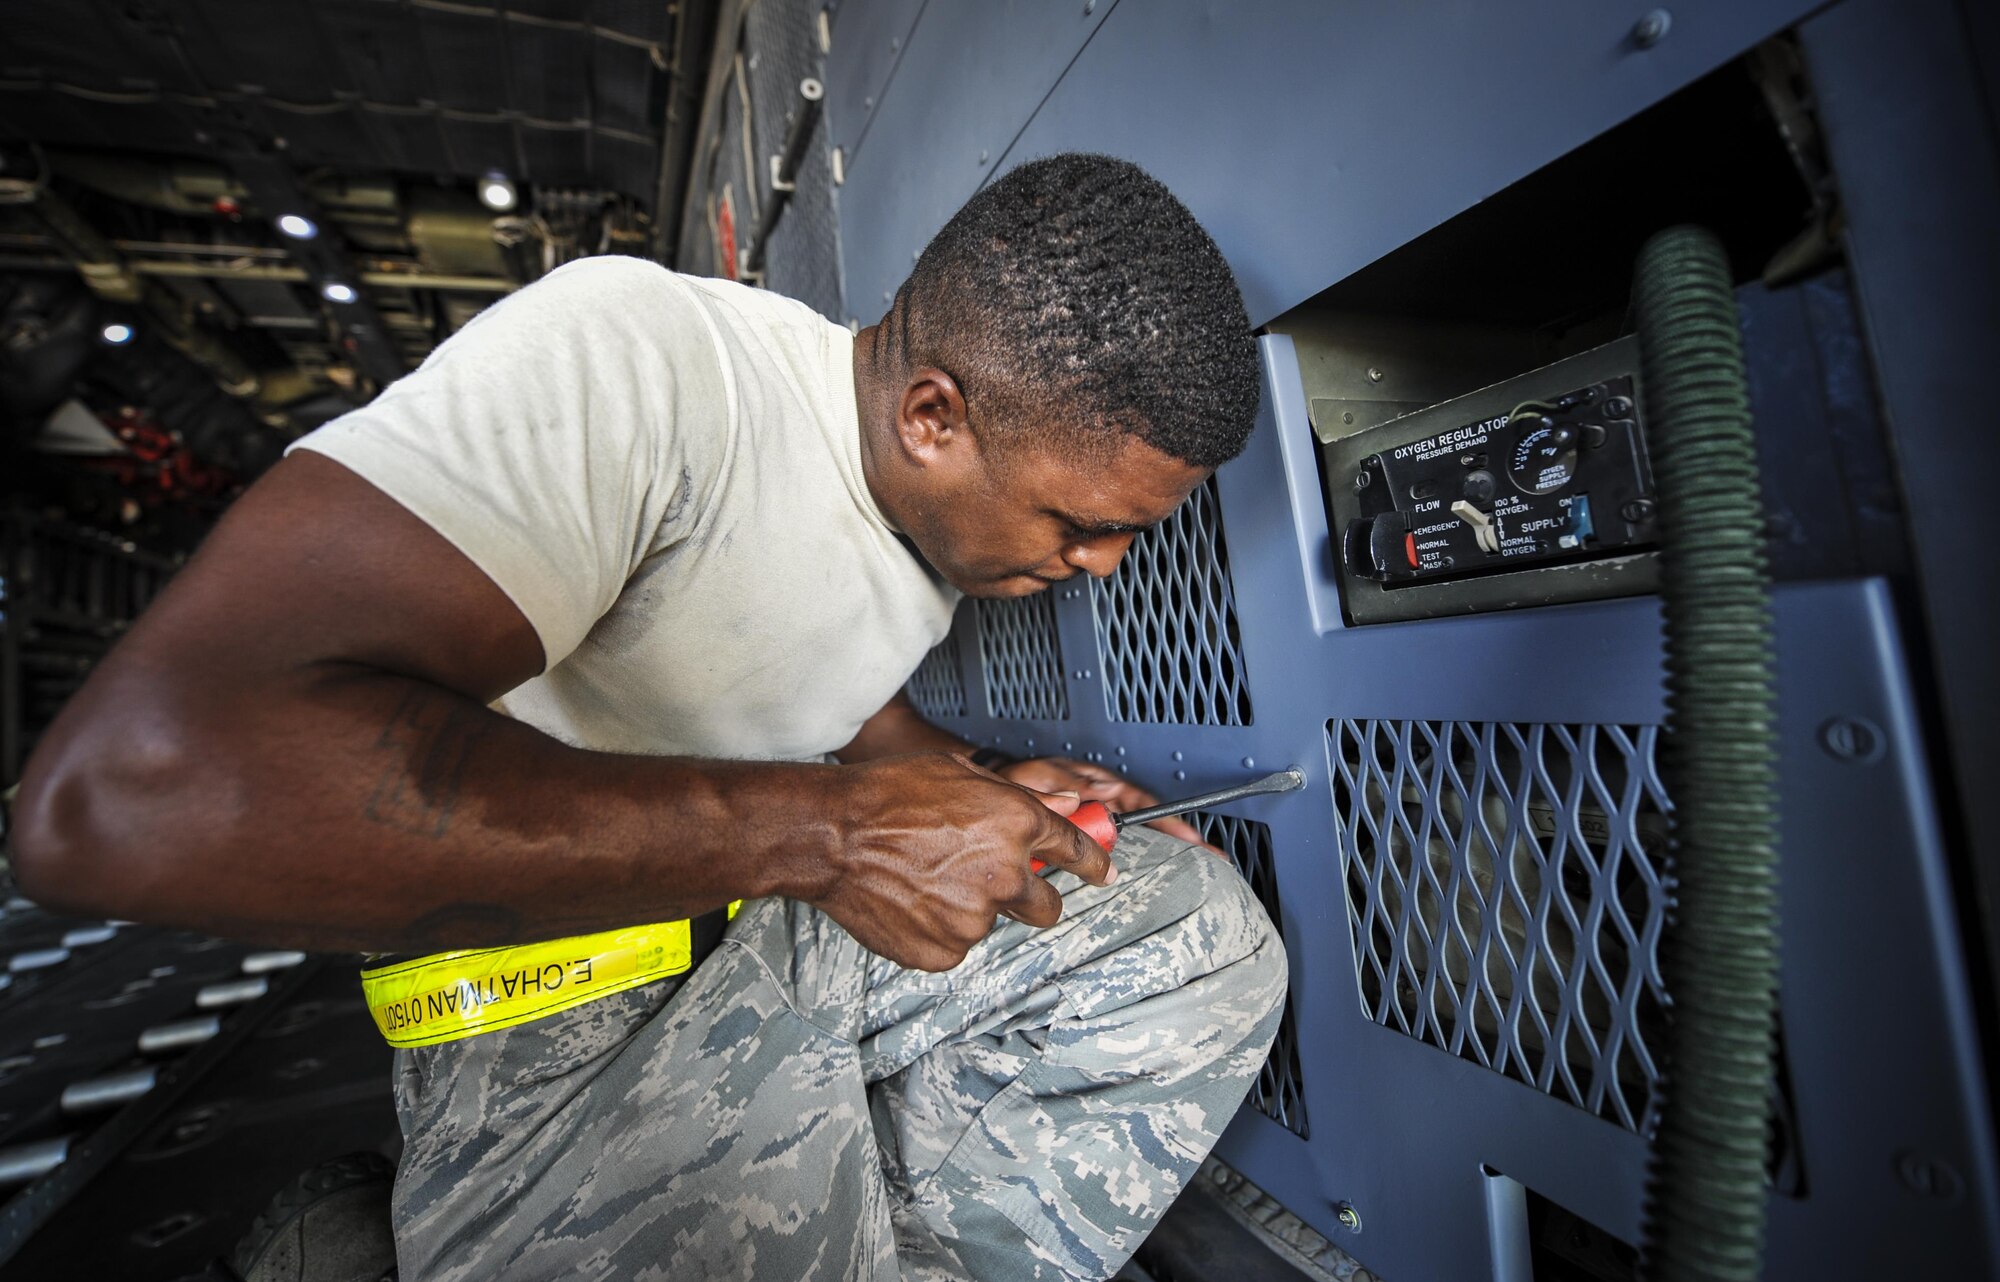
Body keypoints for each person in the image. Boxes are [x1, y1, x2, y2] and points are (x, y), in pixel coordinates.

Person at [13, 153, 1286, 1281]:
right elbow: (140, 793)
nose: (1107, 567)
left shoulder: (918, 510)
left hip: (764, 913)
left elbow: (797, 677)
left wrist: (976, 787)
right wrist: (840, 837)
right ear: (933, 416)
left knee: (1197, 946)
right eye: (1082, 526)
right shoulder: (648, 365)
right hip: (557, 1008)